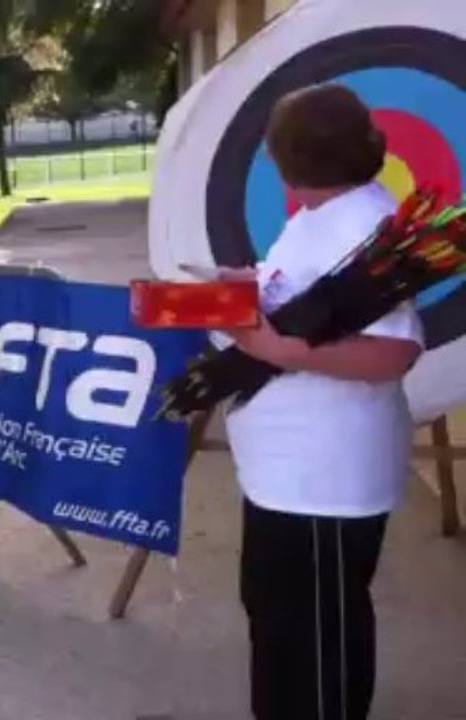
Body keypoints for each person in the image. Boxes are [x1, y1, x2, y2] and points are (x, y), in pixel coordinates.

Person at [215, 84, 424, 719]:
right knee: (279, 624)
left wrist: (286, 353)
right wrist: (244, 288)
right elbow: (308, 303)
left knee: (318, 648)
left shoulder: (367, 227)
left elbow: (392, 352)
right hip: (286, 478)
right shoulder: (320, 214)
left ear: (285, 157)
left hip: (323, 485)